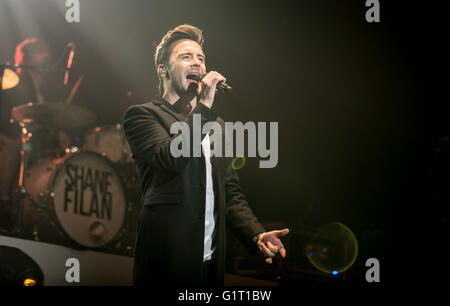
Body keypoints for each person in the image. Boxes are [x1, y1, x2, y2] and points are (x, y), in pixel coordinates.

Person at [123, 24, 289, 287]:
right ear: (163, 69)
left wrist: (256, 234)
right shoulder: (143, 115)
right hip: (167, 260)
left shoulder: (216, 124)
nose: (197, 64)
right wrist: (204, 107)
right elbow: (170, 157)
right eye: (186, 57)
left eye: (201, 58)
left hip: (210, 262)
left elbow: (230, 192)